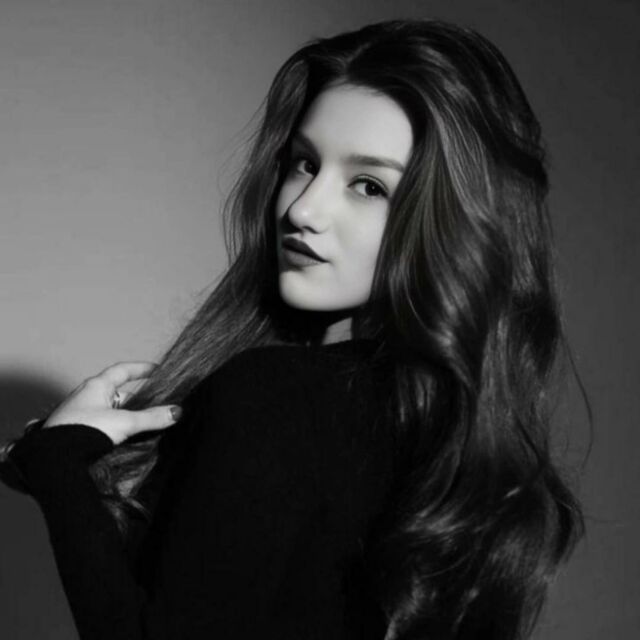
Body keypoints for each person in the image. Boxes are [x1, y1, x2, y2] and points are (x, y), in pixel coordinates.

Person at [0, 18, 584, 640]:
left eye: (368, 186)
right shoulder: (452, 450)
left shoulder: (276, 396)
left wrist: (60, 462)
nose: (303, 209)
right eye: (305, 163)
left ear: (454, 221)